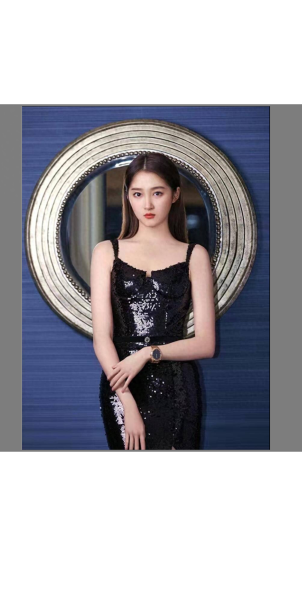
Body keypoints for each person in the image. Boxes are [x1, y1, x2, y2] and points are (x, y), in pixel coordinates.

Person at [91, 152, 216, 450]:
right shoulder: (106, 252)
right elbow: (101, 337)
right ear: (128, 197)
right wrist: (127, 403)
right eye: (138, 194)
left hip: (177, 388)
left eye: (157, 193)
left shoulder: (194, 255)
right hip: (122, 388)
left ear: (175, 195)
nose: (147, 205)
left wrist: (148, 353)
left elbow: (206, 344)